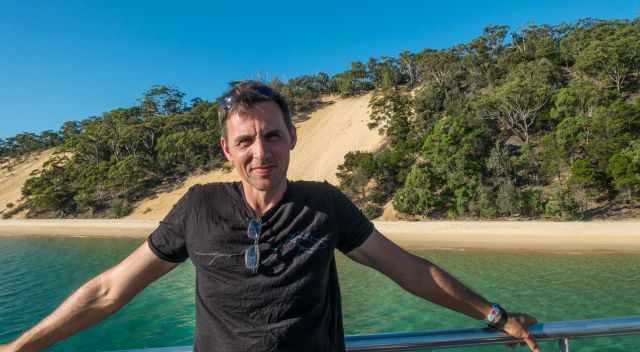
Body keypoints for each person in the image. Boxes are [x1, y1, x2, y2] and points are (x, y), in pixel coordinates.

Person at [0, 81, 540, 352]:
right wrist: (23, 347)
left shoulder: (324, 205)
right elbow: (109, 291)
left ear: (292, 138)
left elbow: (409, 270)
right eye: (247, 141)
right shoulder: (198, 207)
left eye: (273, 135)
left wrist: (494, 315)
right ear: (227, 150)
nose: (262, 152)